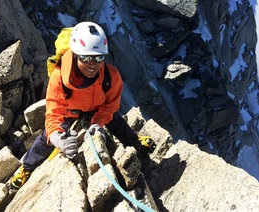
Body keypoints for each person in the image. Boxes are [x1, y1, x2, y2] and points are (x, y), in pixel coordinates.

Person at [11, 22, 155, 189]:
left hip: (96, 108)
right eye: (86, 57)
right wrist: (57, 137)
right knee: (46, 139)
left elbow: (109, 107)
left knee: (116, 122)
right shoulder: (59, 76)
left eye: (99, 57)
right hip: (70, 111)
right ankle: (26, 167)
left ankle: (135, 142)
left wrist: (97, 123)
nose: (92, 64)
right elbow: (53, 112)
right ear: (75, 54)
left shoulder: (111, 76)